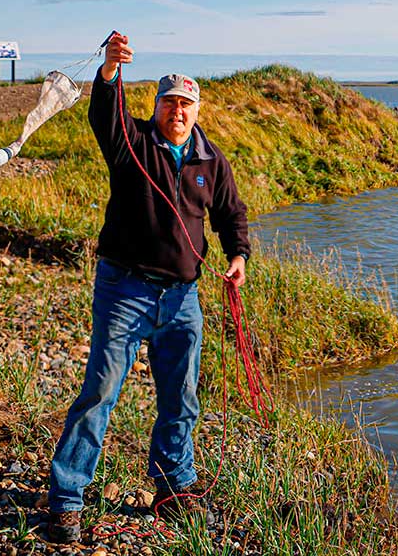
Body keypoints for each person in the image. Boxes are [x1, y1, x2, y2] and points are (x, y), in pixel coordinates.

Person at [46, 32, 251, 544]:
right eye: (169, 103)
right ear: (155, 106)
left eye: (185, 104)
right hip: (124, 290)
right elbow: (104, 118)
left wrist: (238, 256)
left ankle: (174, 487)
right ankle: (67, 500)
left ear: (196, 110)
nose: (177, 111)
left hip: (183, 299)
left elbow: (231, 214)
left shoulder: (211, 161)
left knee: (181, 400)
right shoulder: (132, 144)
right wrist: (111, 70)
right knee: (100, 393)